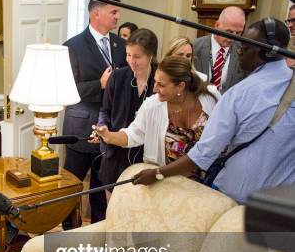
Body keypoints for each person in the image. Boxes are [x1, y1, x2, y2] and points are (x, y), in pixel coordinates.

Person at [132, 19, 294, 205]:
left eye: (245, 47)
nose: (238, 51)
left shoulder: (237, 95)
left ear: (265, 52)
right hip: (283, 205)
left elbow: (202, 154)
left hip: (235, 200)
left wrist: (157, 173)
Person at [92, 56, 220, 180]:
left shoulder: (210, 97)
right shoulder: (152, 106)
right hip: (168, 184)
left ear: (180, 86)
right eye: (155, 82)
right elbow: (133, 135)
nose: (154, 89)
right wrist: (109, 136)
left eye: (161, 85)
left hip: (208, 183)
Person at [62, 0, 126, 226]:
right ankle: (69, 232)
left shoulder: (121, 45)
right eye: (114, 12)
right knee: (71, 187)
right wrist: (99, 85)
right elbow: (67, 90)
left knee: (101, 189)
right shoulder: (72, 46)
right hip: (80, 127)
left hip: (110, 129)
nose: (118, 17)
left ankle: (100, 232)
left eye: (118, 12)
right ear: (96, 13)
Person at [97, 28, 158, 199]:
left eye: (137, 56)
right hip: (115, 152)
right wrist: (103, 128)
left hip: (146, 155)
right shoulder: (117, 76)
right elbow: (105, 110)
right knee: (113, 206)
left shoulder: (160, 80)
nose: (131, 61)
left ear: (151, 55)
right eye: (128, 55)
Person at [193, 6, 247, 92]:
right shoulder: (194, 47)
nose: (233, 38)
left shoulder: (244, 53)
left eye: (238, 33)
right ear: (217, 25)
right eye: (229, 32)